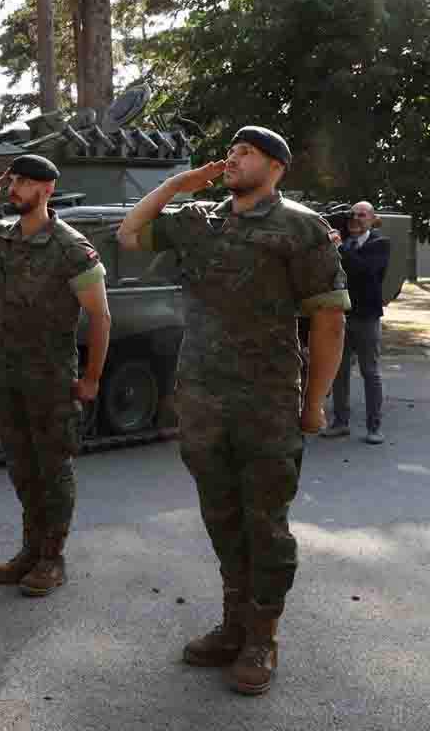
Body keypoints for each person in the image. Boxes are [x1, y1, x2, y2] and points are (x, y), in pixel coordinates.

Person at [116, 126, 349, 695]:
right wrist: (183, 180)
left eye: (247, 152)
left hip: (266, 400)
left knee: (264, 523)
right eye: (233, 151)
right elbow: (129, 232)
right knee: (221, 516)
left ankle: (262, 637)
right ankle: (233, 624)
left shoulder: (300, 227)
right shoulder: (200, 218)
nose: (234, 158)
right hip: (201, 397)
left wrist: (314, 402)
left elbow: (329, 318)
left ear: (276, 167)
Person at [0, 155, 111, 597]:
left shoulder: (71, 247)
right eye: (12, 180)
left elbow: (100, 316)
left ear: (47, 189)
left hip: (50, 376)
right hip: (5, 372)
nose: (14, 188)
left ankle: (52, 558)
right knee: (20, 466)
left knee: (52, 468)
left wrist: (92, 377)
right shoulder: (0, 234)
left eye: (23, 182)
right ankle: (31, 548)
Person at [322, 201, 389, 444]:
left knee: (369, 372)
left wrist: (340, 245)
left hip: (366, 318)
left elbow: (362, 270)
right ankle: (340, 422)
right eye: (353, 215)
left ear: (372, 219)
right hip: (342, 315)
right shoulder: (344, 243)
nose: (356, 219)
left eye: (362, 215)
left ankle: (374, 427)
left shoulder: (379, 244)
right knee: (338, 372)